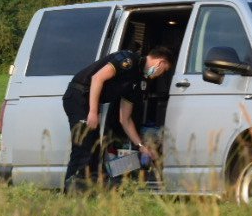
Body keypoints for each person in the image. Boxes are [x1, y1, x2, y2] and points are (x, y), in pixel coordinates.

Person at [62, 46, 174, 190]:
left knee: (94, 149)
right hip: (79, 96)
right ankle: (71, 191)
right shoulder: (128, 60)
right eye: (163, 70)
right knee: (83, 146)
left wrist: (141, 147)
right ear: (160, 62)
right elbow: (97, 78)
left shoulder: (137, 81)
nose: (160, 74)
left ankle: (84, 191)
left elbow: (125, 119)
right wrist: (93, 112)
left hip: (90, 103)